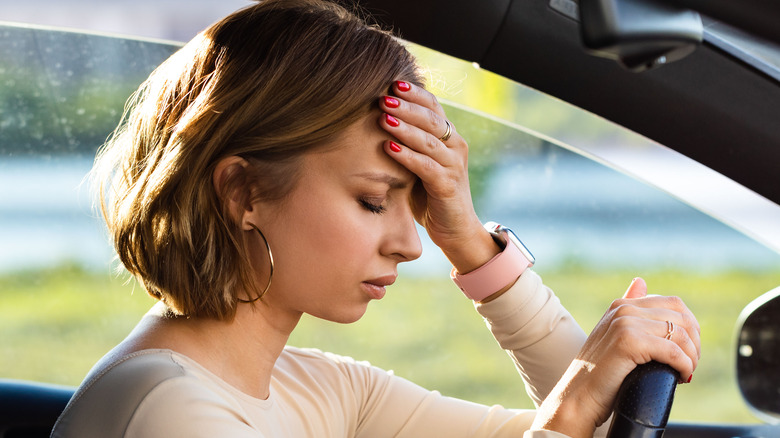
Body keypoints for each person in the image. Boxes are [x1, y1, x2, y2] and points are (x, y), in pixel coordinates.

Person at [51, 0, 701, 437]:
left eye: (413, 202)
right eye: (372, 200)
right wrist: (573, 403)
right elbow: (569, 417)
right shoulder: (169, 411)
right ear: (243, 192)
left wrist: (468, 239)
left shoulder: (323, 390)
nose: (410, 244)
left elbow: (599, 421)